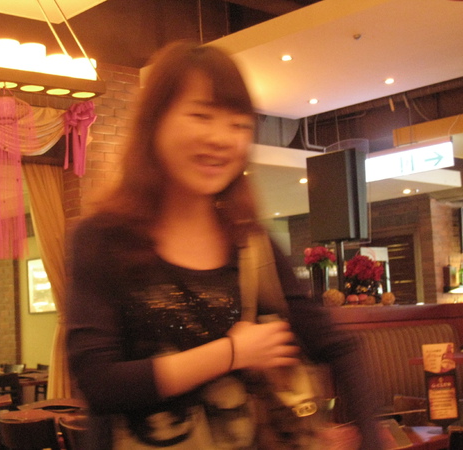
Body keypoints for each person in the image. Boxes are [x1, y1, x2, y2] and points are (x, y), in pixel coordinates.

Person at [66, 40, 384, 449]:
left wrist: (372, 438)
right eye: (201, 115)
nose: (222, 138)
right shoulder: (102, 238)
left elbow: (339, 346)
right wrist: (232, 352)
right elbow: (99, 384)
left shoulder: (251, 244)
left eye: (238, 124)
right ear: (154, 123)